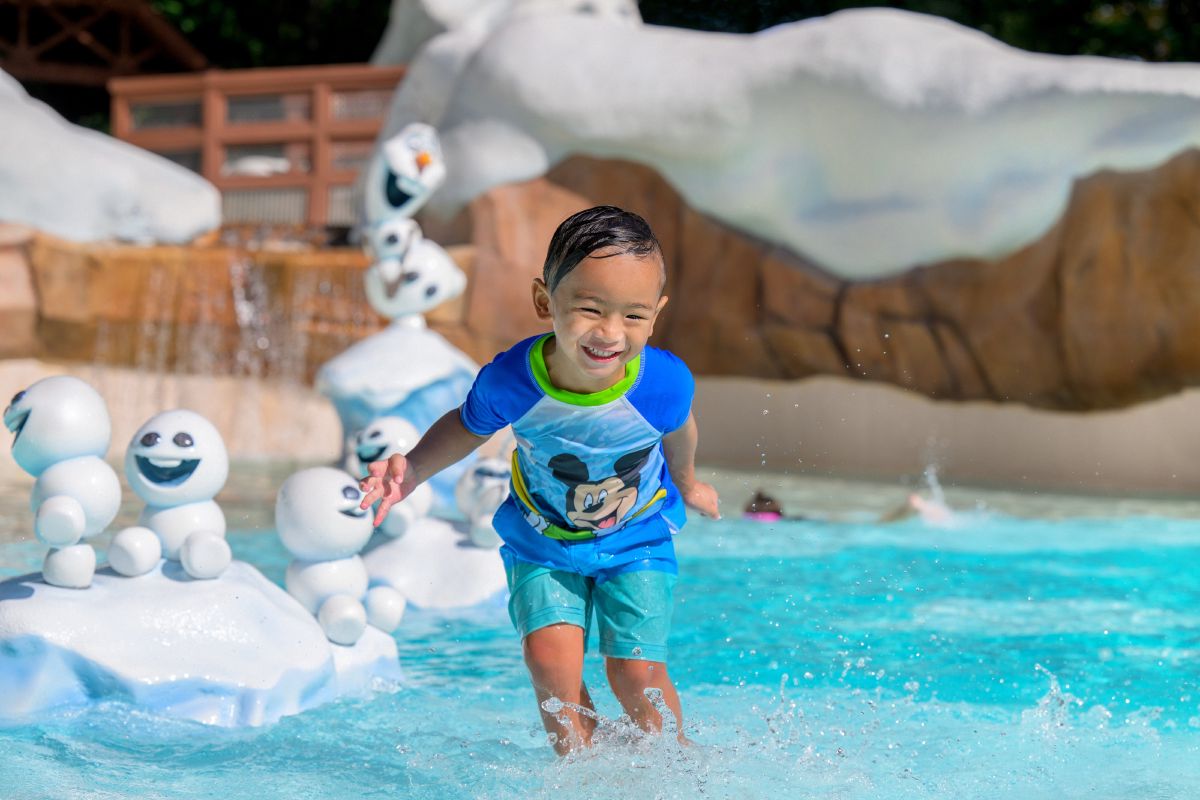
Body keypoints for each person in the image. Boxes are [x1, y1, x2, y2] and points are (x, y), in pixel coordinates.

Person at [359, 205, 720, 754]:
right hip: (542, 539)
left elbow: (680, 430)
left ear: (656, 314)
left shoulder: (662, 383)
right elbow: (465, 427)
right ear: (543, 301)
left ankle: (676, 764)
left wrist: (689, 483)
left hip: (637, 535)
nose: (610, 333)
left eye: (633, 316)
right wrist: (411, 472)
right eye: (590, 309)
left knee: (634, 673)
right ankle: (581, 771)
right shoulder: (513, 380)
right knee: (551, 663)